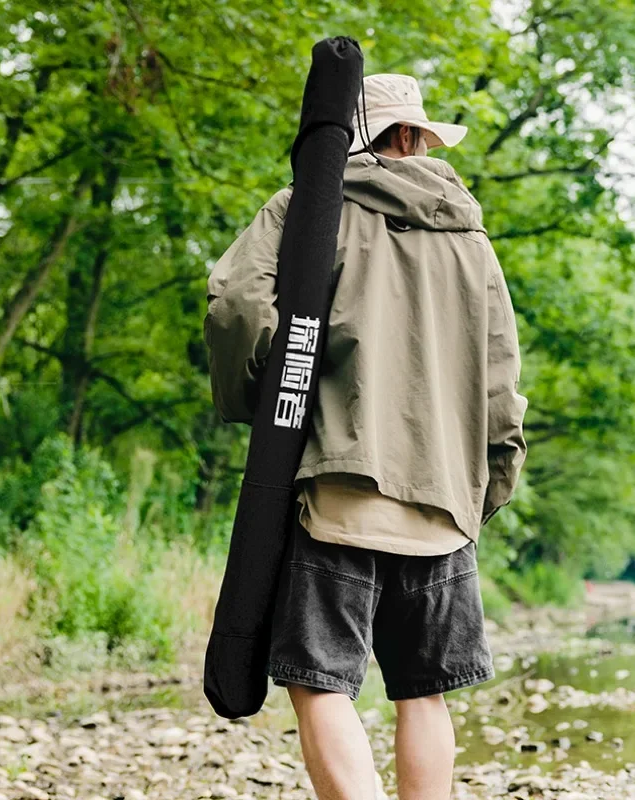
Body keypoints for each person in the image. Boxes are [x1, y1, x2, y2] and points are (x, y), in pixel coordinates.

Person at [204, 73, 527, 800]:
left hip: (338, 493)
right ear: (411, 137)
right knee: (424, 692)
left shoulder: (307, 211)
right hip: (445, 503)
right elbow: (500, 382)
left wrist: (257, 400)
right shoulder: (470, 236)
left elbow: (233, 306)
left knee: (318, 682)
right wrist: (487, 486)